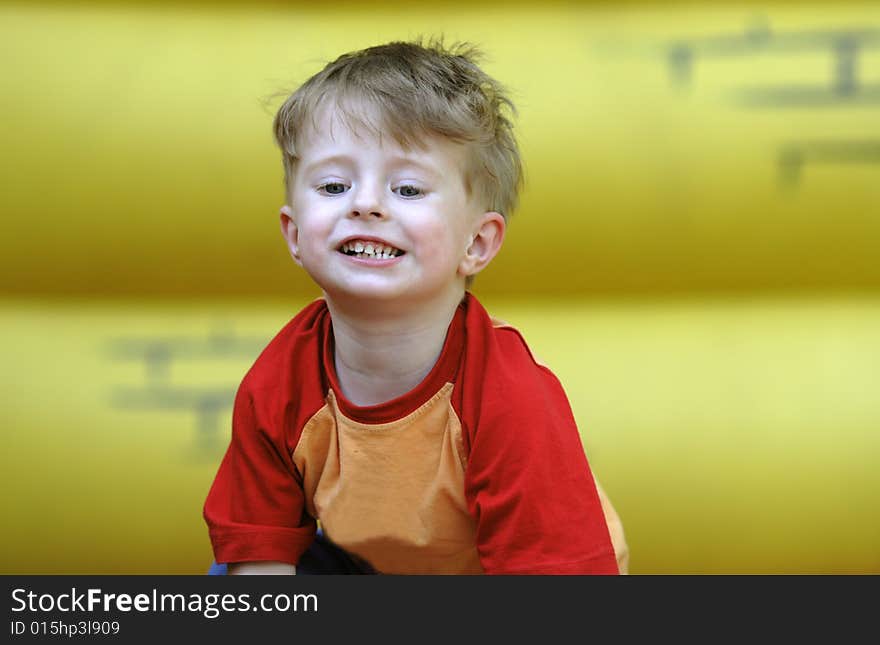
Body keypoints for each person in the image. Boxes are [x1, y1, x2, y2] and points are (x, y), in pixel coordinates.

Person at [204, 38, 628, 575]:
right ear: (293, 233)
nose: (365, 203)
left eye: (406, 189)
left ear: (475, 244)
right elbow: (257, 550)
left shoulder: (508, 396)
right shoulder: (277, 385)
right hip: (364, 562)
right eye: (334, 184)